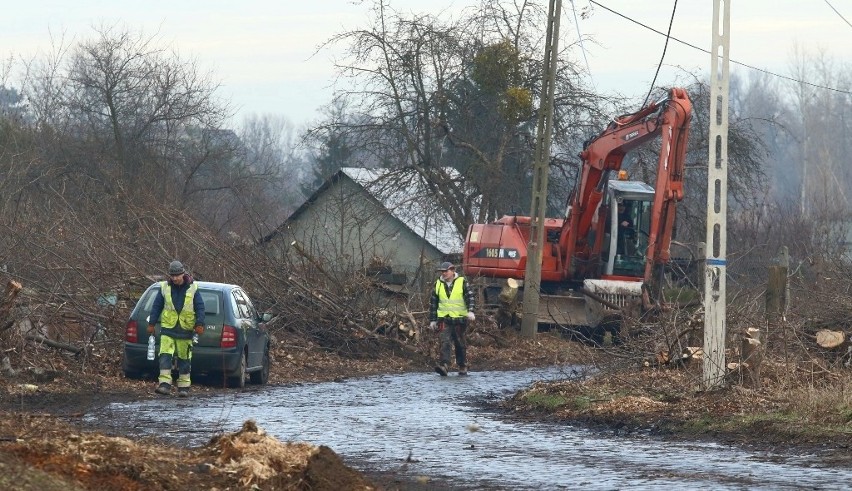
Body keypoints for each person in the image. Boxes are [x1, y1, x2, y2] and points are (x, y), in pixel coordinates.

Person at [147, 260, 205, 396]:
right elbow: (157, 306)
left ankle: (183, 388)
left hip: (186, 329)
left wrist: (200, 323)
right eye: (172, 276)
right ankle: (164, 385)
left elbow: (200, 307)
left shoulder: (193, 288)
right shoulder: (165, 288)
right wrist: (152, 323)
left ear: (183, 274)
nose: (174, 278)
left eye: (177, 275)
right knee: (165, 355)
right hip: (168, 328)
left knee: (184, 359)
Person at [428, 262, 476, 376]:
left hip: (460, 319)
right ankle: (444, 365)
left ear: (453, 270)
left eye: (446, 271)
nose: (444, 273)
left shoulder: (462, 282)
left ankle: (462, 365)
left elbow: (470, 296)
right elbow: (433, 303)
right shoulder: (438, 284)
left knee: (460, 343)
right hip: (444, 318)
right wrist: (433, 320)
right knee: (445, 341)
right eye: (442, 271)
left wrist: (470, 311)